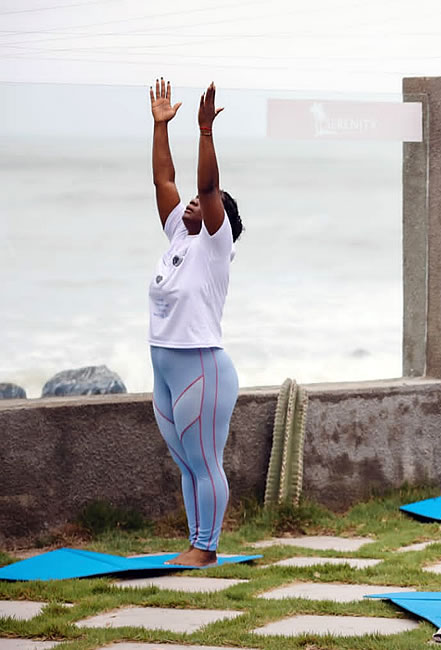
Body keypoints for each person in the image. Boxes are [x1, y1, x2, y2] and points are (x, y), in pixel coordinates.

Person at [148, 78, 244, 567]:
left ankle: (206, 549)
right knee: (186, 463)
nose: (191, 201)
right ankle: (195, 541)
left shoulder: (213, 245)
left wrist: (204, 131)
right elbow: (166, 181)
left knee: (204, 462)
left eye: (203, 204)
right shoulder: (177, 238)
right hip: (164, 366)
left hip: (201, 367)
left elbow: (206, 187)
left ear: (216, 218)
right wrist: (160, 127)